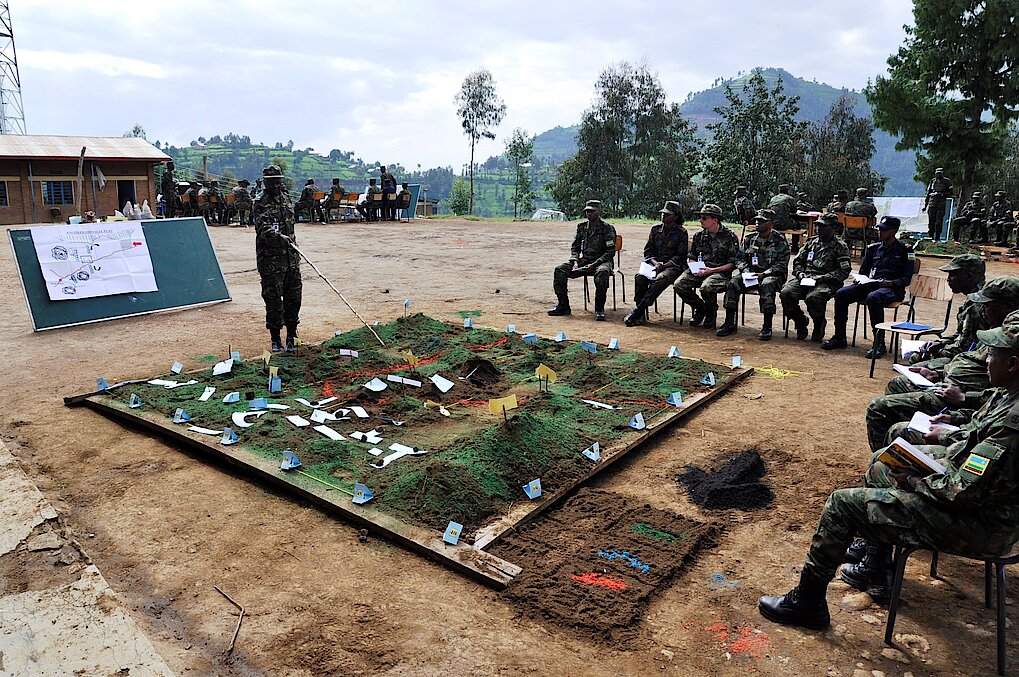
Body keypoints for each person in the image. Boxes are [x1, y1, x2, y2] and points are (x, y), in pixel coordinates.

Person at [758, 312, 1019, 630]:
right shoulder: (1010, 395)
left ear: (1013, 364)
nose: (986, 359)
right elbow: (978, 438)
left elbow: (962, 491)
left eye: (993, 354)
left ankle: (807, 602)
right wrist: (945, 434)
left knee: (841, 504)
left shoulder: (1013, 425)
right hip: (982, 503)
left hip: (981, 525)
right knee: (884, 463)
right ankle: (876, 566)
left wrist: (915, 479)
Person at [864, 277, 1019, 452]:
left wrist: (963, 399)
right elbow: (990, 399)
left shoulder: (1008, 344)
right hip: (953, 392)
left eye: (989, 304)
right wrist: (939, 374)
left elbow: (981, 445)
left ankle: (892, 461)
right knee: (897, 385)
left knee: (880, 410)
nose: (983, 308)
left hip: (958, 402)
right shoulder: (998, 334)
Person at [821, 216, 913, 358]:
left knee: (873, 298)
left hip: (892, 289)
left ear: (894, 231)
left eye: (884, 230)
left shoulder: (905, 250)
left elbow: (907, 278)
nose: (880, 232)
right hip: (872, 285)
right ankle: (839, 337)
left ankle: (879, 343)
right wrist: (860, 280)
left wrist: (891, 283)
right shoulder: (873, 249)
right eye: (880, 229)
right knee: (841, 293)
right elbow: (864, 272)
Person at [716, 209, 789, 341]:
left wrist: (764, 274)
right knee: (733, 283)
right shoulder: (749, 239)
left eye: (762, 221)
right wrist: (746, 271)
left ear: (771, 223)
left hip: (772, 275)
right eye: (756, 220)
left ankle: (767, 326)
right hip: (751, 274)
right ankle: (729, 322)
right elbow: (739, 259)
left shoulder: (780, 240)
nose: (757, 223)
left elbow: (782, 264)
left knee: (767, 285)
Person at [779, 213, 851, 342]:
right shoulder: (811, 242)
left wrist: (822, 278)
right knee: (786, 293)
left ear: (833, 228)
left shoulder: (840, 246)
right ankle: (800, 321)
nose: (818, 229)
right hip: (806, 278)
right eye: (817, 226)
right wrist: (800, 274)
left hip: (827, 281)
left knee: (814, 298)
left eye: (823, 226)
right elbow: (798, 261)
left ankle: (819, 323)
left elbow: (843, 271)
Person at [253, 165, 302, 353]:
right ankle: (275, 338)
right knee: (273, 301)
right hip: (271, 261)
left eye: (278, 182)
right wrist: (278, 236)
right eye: (272, 183)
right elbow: (263, 228)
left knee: (294, 298)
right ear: (265, 182)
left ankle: (292, 335)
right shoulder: (260, 202)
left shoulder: (286, 198)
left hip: (291, 259)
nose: (275, 186)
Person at [907, 254, 987, 365]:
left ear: (969, 276)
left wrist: (938, 351)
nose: (948, 279)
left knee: (918, 362)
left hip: (975, 359)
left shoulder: (978, 304)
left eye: (953, 275)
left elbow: (966, 347)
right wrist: (940, 342)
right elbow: (962, 334)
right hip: (969, 353)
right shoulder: (976, 297)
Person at [673, 204, 740, 329]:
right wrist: (694, 267)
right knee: (679, 284)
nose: (700, 220)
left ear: (715, 220)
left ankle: (711, 312)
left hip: (720, 273)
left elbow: (732, 264)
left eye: (704, 218)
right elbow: (692, 256)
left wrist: (711, 270)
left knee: (706, 287)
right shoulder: (699, 236)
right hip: (700, 271)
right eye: (700, 217)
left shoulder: (729, 237)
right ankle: (700, 308)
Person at [623, 200, 689, 327]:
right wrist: (656, 263)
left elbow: (680, 256)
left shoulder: (681, 233)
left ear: (676, 216)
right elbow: (648, 251)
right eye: (663, 213)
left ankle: (638, 311)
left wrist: (664, 265)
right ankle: (640, 312)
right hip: (655, 264)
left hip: (673, 267)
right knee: (640, 277)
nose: (664, 216)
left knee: (661, 279)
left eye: (668, 214)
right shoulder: (655, 229)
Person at [549, 200, 617, 321]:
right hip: (584, 260)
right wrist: (575, 261)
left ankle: (599, 309)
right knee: (560, 270)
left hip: (602, 261)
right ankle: (563, 306)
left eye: (592, 211)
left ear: (599, 212)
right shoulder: (581, 227)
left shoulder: (607, 228)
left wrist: (595, 263)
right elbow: (575, 247)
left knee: (602, 273)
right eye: (587, 211)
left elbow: (610, 251)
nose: (589, 214)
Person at [923, 167, 953, 242]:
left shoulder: (947, 181)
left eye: (940, 173)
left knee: (939, 222)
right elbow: (928, 193)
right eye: (937, 173)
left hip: (941, 204)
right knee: (931, 222)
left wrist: (942, 194)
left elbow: (951, 192)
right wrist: (925, 205)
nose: (938, 175)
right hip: (932, 204)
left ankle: (937, 238)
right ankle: (931, 237)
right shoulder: (933, 181)